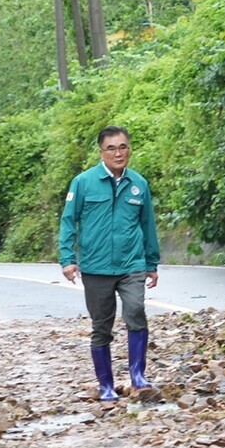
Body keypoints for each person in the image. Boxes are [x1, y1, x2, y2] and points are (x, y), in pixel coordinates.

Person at [58, 126, 160, 401]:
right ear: (101, 152)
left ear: (129, 148)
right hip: (95, 267)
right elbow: (69, 221)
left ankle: (138, 376)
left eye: (123, 147)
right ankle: (106, 385)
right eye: (112, 148)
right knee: (101, 326)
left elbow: (147, 224)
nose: (118, 153)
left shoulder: (139, 184)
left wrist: (152, 262)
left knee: (136, 311)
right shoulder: (83, 182)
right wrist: (67, 259)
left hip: (132, 264)